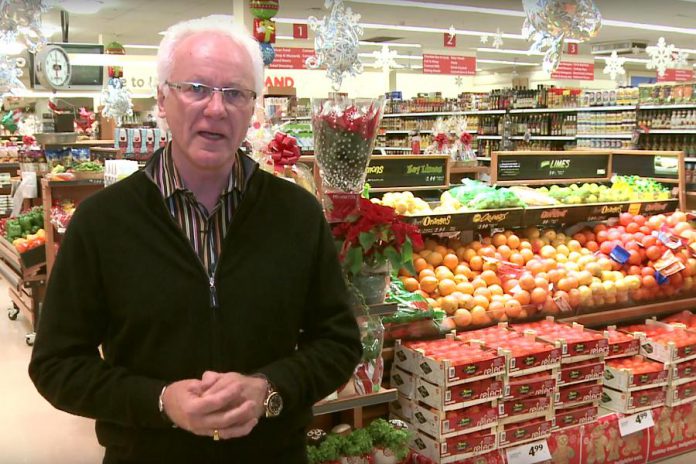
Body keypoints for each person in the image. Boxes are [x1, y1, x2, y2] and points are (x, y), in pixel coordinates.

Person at [29, 15, 362, 464]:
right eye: (197, 88)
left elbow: (338, 342)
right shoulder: (102, 222)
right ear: (163, 99)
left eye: (235, 93)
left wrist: (269, 389)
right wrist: (161, 401)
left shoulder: (297, 214)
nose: (216, 108)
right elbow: (56, 365)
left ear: (252, 107)